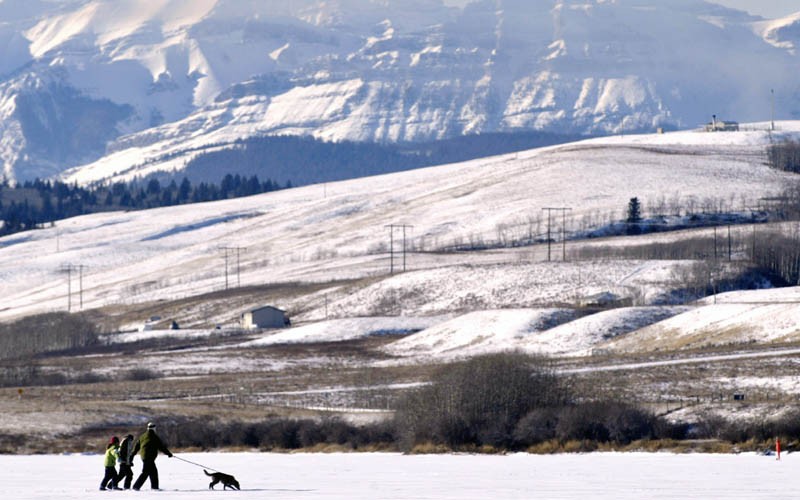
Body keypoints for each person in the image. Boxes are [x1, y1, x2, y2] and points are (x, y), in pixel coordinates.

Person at [131, 422, 173, 490]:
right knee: (145, 472)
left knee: (153, 472)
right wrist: (168, 453)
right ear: (154, 428)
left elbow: (136, 446)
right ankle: (136, 487)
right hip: (149, 457)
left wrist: (133, 454)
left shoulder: (142, 436)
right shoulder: (154, 436)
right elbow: (161, 446)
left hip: (144, 456)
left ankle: (154, 487)